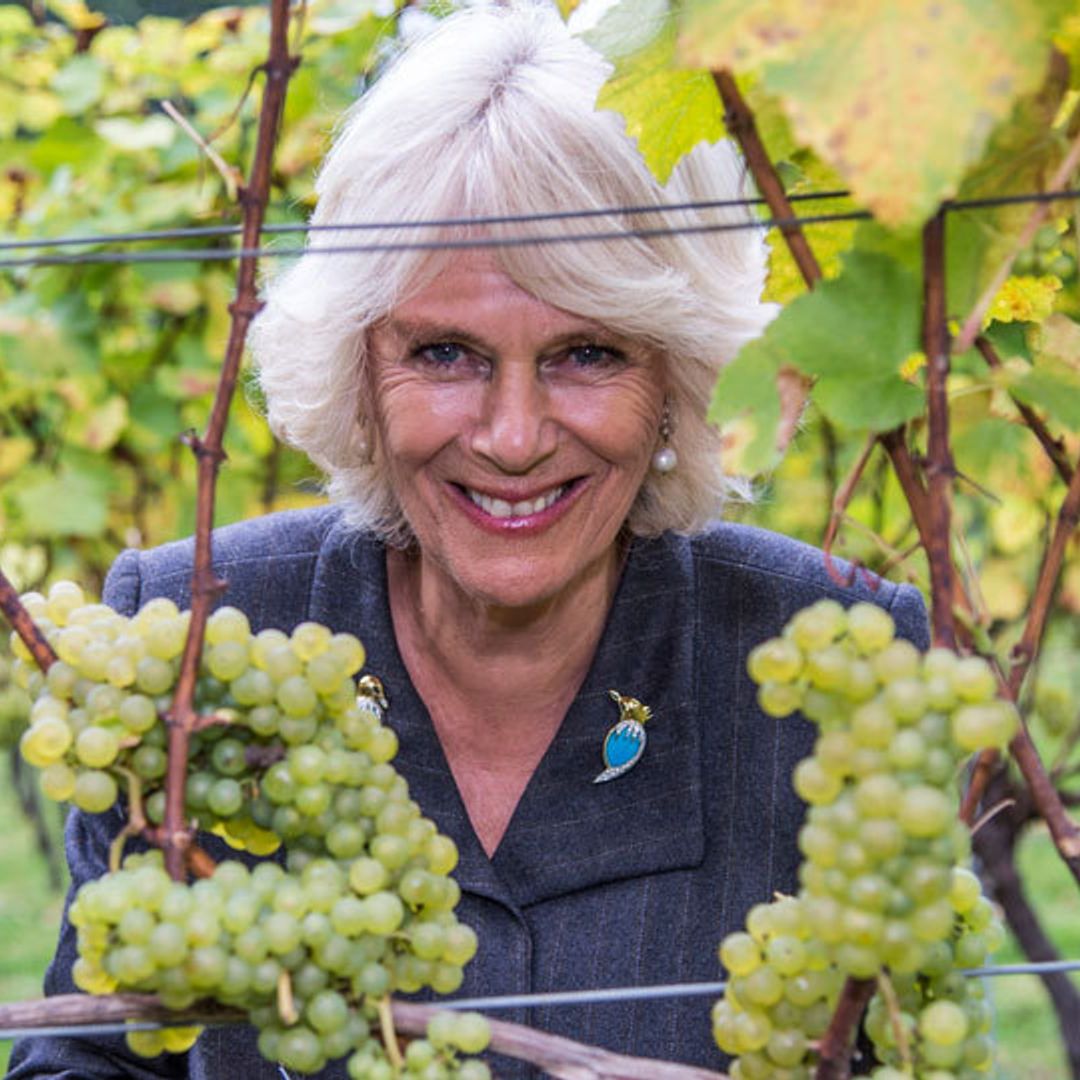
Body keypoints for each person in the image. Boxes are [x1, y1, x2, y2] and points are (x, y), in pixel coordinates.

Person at [8, 5, 927, 1079]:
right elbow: (93, 1060)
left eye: (588, 353)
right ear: (358, 368)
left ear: (681, 376)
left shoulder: (840, 669)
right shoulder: (199, 647)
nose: (513, 437)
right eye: (444, 353)